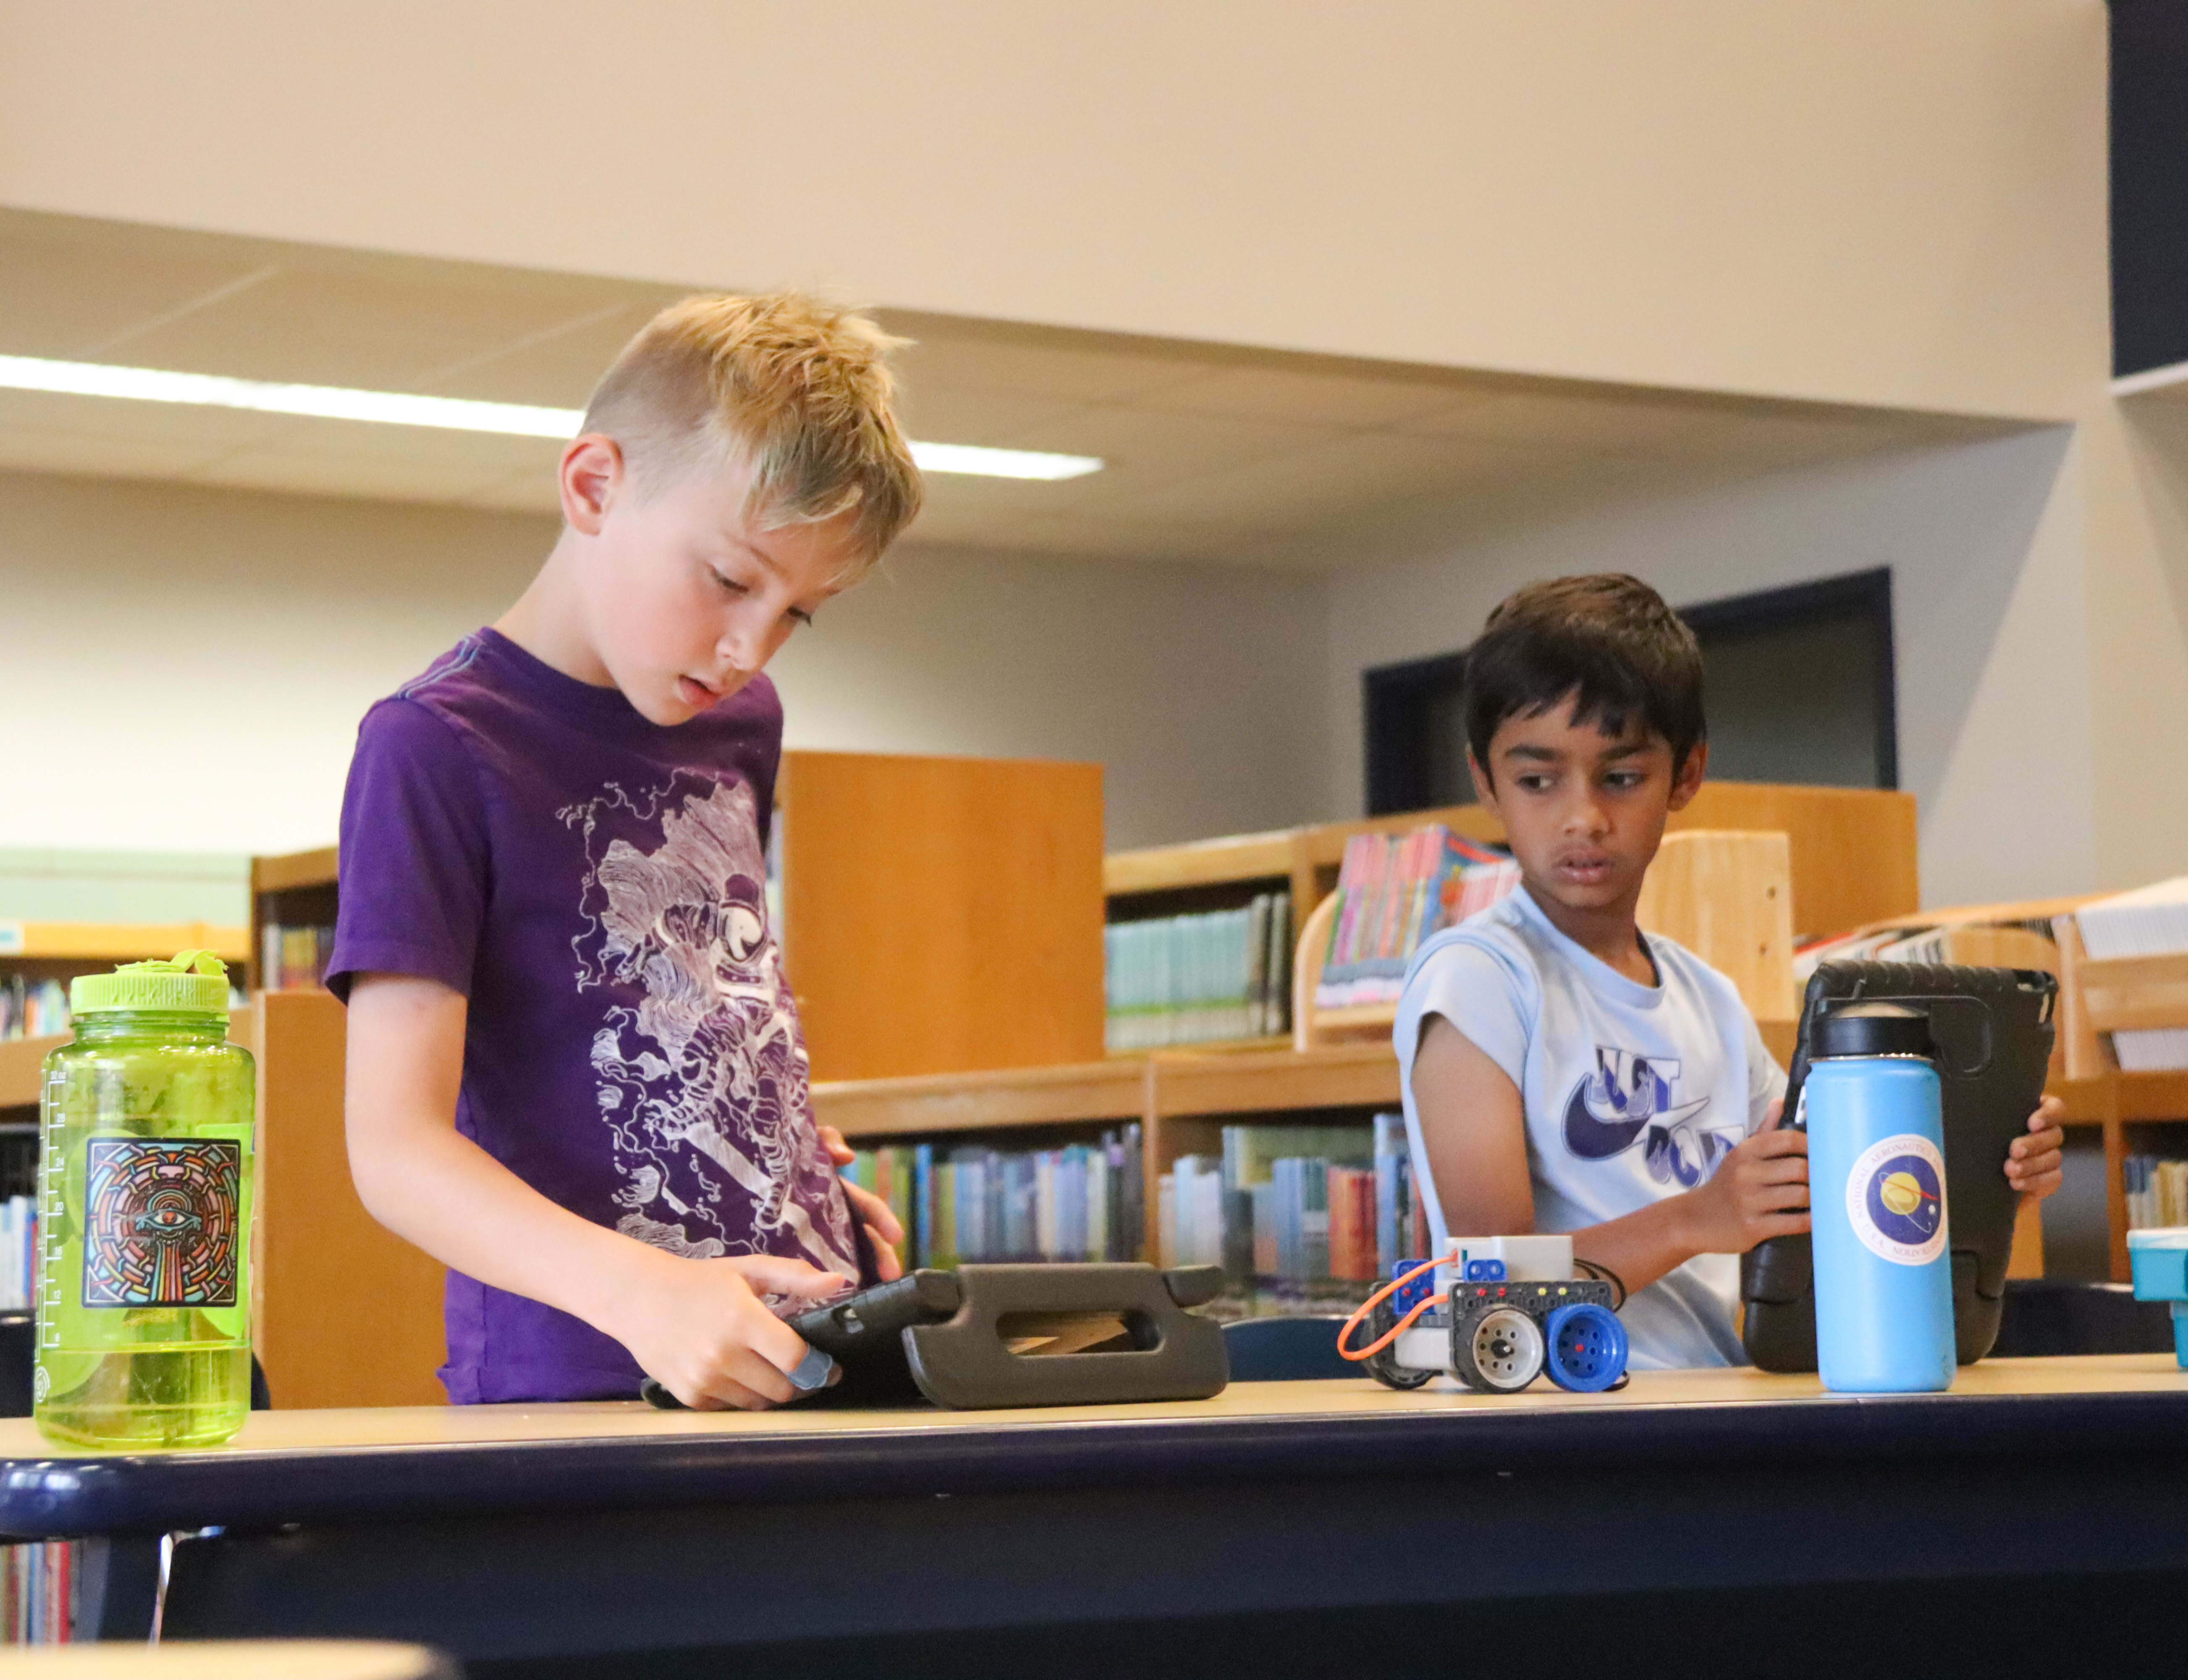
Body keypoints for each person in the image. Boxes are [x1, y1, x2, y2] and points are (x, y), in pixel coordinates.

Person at [328, 292, 923, 1409]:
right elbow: (395, 1151)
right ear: (596, 485)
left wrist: (786, 1149)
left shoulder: (744, 726)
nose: (753, 646)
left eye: (803, 611)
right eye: (734, 580)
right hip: (584, 1383)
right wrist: (648, 1295)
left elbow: (674, 996)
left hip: (788, 1344)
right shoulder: (434, 747)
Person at [1394, 574, 2066, 1368]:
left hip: (1729, 1406)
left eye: (1621, 777)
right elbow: (1491, 1286)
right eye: (1538, 781)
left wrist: (1976, 1177)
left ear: (1685, 775)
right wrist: (1694, 1221)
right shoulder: (1475, 978)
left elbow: (1811, 1215)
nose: (1583, 817)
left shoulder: (1708, 999)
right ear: (1487, 784)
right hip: (1557, 1435)